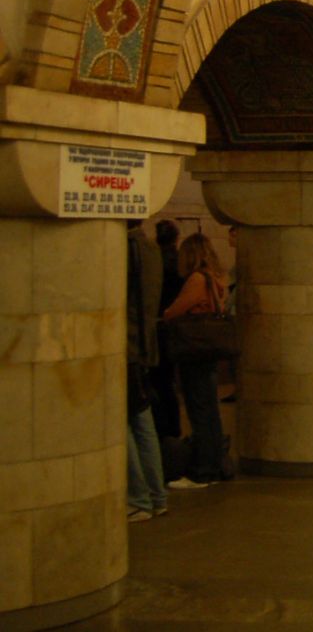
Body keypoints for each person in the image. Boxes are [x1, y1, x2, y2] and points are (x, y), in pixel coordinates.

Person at [162, 233, 231, 488]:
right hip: (209, 350)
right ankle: (214, 464)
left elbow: (175, 311)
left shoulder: (197, 279)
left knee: (199, 410)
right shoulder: (216, 278)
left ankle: (202, 471)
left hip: (194, 349)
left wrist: (165, 313)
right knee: (210, 411)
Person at [126, 221, 168, 520]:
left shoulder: (125, 249)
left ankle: (139, 499)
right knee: (144, 423)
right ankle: (156, 495)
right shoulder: (152, 250)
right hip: (144, 346)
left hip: (125, 346)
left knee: (125, 424)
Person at [150, 218, 183, 440]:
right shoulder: (180, 261)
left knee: (158, 380)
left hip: (157, 322)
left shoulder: (153, 259)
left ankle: (163, 429)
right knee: (168, 381)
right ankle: (172, 428)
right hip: (173, 325)